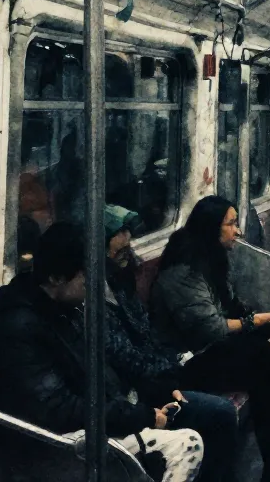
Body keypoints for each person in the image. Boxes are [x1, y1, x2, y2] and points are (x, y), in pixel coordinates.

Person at [0, 220, 204, 482]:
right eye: (86, 276)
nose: (94, 284)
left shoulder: (66, 310)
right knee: (188, 444)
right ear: (56, 278)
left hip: (87, 423)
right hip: (51, 444)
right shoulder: (19, 329)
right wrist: (139, 416)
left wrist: (154, 394)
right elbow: (58, 409)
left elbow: (105, 372)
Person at [151, 197, 270, 482]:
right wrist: (255, 322)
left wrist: (259, 320)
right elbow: (211, 328)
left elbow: (229, 306)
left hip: (206, 352)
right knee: (264, 362)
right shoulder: (182, 274)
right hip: (183, 364)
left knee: (266, 365)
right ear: (210, 228)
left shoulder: (210, 261)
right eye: (231, 224)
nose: (238, 231)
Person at [104, 205, 240, 482]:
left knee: (257, 356)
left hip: (159, 372)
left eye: (128, 250)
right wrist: (167, 378)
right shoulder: (95, 305)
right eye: (119, 253)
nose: (128, 258)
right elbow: (127, 356)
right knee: (223, 410)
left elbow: (146, 337)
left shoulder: (121, 285)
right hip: (141, 388)